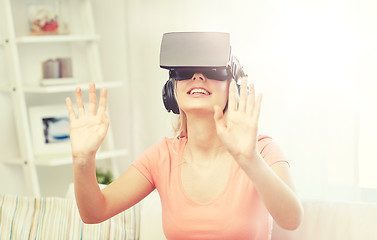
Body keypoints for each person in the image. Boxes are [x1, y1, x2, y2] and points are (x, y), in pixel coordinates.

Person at [65, 36, 303, 240]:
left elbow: (291, 219)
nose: (198, 76)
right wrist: (83, 160)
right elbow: (94, 212)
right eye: (185, 71)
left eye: (212, 70)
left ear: (234, 88)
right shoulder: (162, 156)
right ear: (171, 91)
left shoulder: (262, 150)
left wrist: (250, 160)